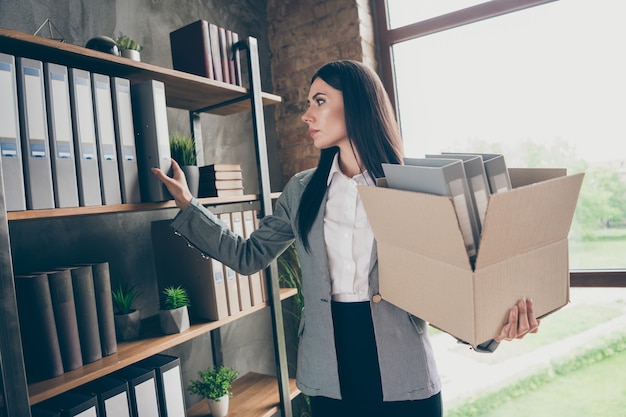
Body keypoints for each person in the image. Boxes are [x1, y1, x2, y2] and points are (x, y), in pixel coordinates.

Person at [152, 60, 540, 417]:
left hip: (403, 373)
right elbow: (248, 255)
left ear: (356, 105)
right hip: (328, 375)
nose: (307, 115)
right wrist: (188, 204)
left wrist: (492, 329)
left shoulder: (413, 189)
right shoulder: (302, 190)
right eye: (309, 102)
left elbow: (447, 283)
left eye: (319, 101)